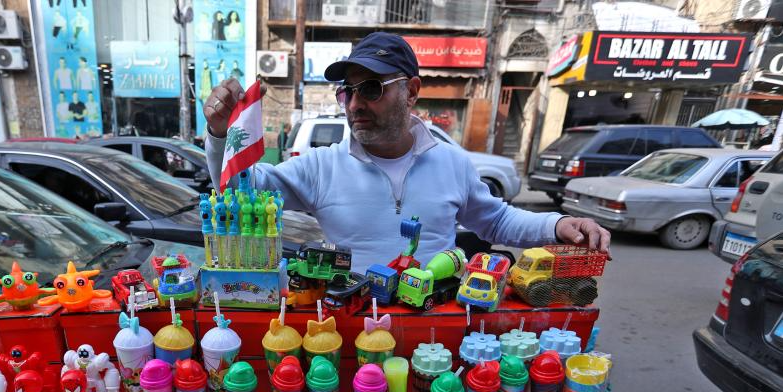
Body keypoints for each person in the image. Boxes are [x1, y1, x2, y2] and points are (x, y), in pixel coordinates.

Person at [202, 32, 611, 272]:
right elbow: (243, 191)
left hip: (438, 335)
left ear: (411, 92)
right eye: (348, 92)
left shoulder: (452, 162)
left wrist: (557, 225)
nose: (355, 104)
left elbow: (496, 221)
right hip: (352, 336)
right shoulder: (320, 167)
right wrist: (221, 135)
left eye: (371, 89)